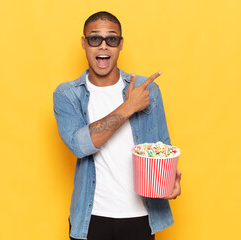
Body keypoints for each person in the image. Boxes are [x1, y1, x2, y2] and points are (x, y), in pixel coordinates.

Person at [53, 11, 182, 240]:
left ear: (120, 44)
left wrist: (168, 180)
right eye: (95, 39)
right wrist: (129, 107)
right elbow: (79, 145)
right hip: (91, 217)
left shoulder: (147, 90)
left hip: (141, 216)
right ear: (84, 43)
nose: (103, 46)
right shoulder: (67, 94)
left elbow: (163, 146)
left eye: (111, 39)